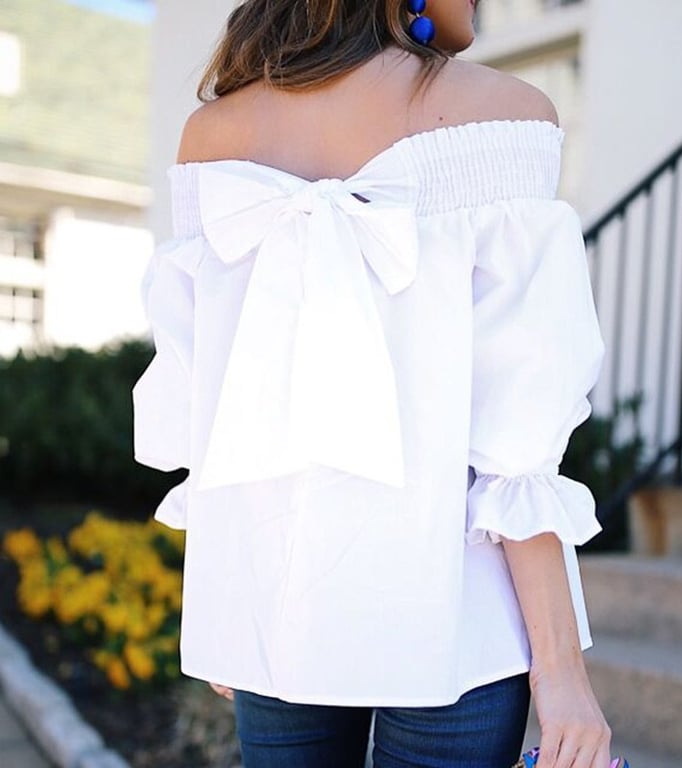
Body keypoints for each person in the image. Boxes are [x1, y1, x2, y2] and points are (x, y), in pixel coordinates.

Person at [133, 0, 613, 766]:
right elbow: (518, 439)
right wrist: (561, 671)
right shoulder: (505, 118)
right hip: (458, 620)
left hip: (278, 613)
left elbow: (205, 413)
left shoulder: (211, 139)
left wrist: (228, 607)